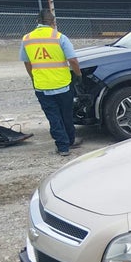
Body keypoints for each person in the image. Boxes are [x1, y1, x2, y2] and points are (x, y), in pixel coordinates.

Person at [20, 9, 82, 156]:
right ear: (53, 22)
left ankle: (62, 147)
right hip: (63, 85)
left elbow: (27, 62)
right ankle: (70, 140)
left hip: (42, 86)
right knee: (66, 114)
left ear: (37, 22)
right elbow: (73, 60)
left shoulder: (27, 39)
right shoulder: (60, 37)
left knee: (53, 117)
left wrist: (33, 77)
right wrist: (78, 75)